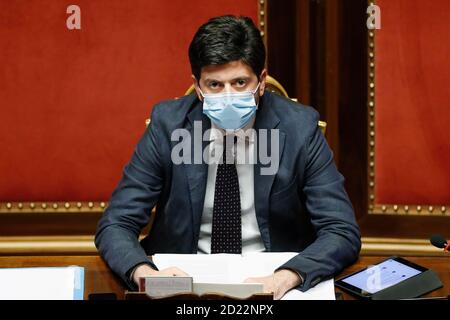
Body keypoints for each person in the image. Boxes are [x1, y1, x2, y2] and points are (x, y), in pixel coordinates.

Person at [95, 15, 361, 300]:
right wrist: (147, 275)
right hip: (185, 283)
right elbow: (116, 224)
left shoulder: (300, 128)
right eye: (215, 85)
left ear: (261, 82)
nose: (228, 96)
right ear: (197, 87)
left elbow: (341, 230)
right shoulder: (168, 125)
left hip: (271, 280)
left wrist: (287, 276)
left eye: (240, 82)